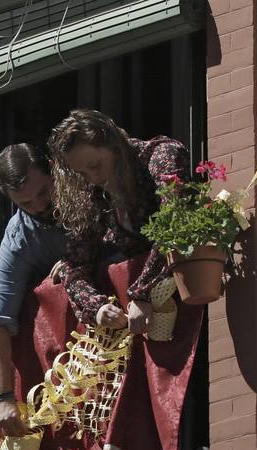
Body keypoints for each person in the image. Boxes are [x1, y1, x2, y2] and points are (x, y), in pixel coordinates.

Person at [48, 109, 189, 340]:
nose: (91, 179)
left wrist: (142, 292)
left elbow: (174, 221)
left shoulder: (159, 156)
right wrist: (97, 307)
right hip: (146, 327)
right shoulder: (93, 194)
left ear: (115, 146)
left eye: (95, 165)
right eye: (81, 173)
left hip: (188, 307)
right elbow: (74, 265)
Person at [0, 142, 68, 438]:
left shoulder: (89, 188)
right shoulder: (18, 234)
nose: (40, 206)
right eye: (26, 204)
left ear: (54, 171)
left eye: (44, 192)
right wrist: (2, 399)